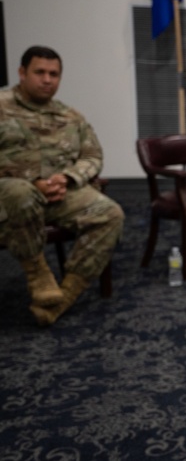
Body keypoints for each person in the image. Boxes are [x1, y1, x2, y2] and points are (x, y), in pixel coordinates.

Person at [0, 46, 124, 326]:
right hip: (8, 197)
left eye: (54, 74)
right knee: (21, 193)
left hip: (58, 197)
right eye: (39, 72)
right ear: (22, 73)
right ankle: (37, 274)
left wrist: (66, 178)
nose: (47, 80)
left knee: (110, 213)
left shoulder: (71, 117)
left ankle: (65, 294)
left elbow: (93, 155)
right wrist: (33, 184)